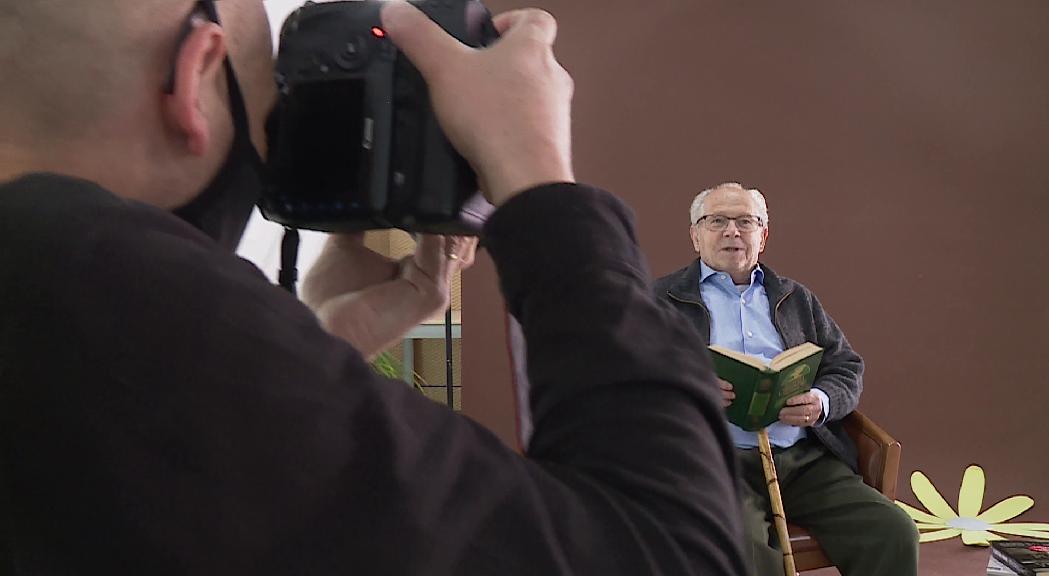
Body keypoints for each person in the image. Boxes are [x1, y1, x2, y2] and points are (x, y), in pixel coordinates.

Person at [0, 1, 746, 573]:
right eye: (266, 119)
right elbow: (672, 553)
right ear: (195, 74)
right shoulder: (91, 278)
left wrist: (306, 352)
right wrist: (538, 180)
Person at [653, 182, 919, 575]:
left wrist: (821, 401)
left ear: (763, 234)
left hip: (801, 459)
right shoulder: (660, 300)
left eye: (746, 221)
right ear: (695, 234)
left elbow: (845, 366)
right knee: (745, 552)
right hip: (712, 461)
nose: (732, 231)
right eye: (717, 221)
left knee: (893, 532)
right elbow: (627, 380)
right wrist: (688, 392)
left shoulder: (795, 298)